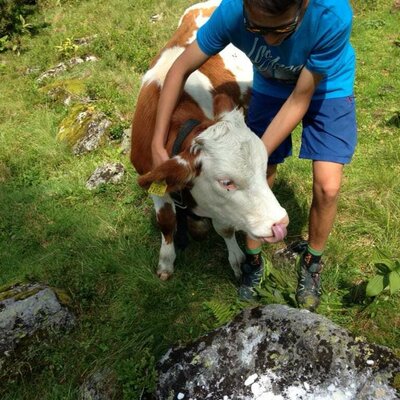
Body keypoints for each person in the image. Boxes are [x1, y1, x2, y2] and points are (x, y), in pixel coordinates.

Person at [151, 0, 357, 311]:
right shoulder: (233, 10)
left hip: (328, 87)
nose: (270, 41)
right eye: (256, 29)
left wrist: (252, 154)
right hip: (271, 85)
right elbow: (180, 68)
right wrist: (156, 142)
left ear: (303, 6)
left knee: (328, 186)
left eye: (283, 30)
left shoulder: (332, 16)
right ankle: (254, 261)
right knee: (263, 172)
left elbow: (301, 97)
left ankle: (312, 264)